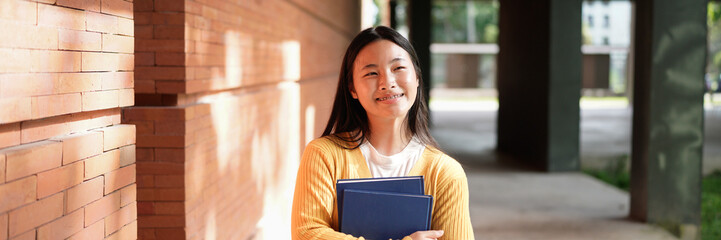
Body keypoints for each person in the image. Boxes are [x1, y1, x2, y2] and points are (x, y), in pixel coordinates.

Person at [291, 26, 474, 240]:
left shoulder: (445, 173)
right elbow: (307, 233)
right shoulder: (323, 156)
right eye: (371, 73)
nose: (387, 83)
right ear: (352, 89)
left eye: (398, 68)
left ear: (416, 77)